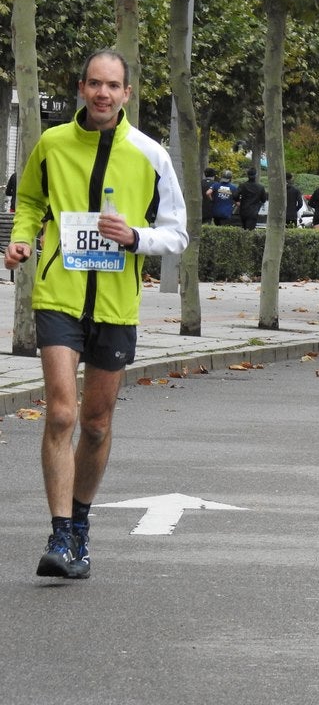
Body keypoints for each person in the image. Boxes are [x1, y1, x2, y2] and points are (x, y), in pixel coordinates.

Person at [3, 49, 188, 580]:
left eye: (113, 86)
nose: (103, 93)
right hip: (58, 295)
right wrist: (20, 242)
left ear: (127, 94)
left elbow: (177, 233)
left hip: (115, 304)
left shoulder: (150, 153)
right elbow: (31, 204)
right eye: (93, 84)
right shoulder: (52, 144)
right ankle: (60, 535)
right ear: (81, 89)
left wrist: (136, 238)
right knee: (61, 413)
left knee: (97, 423)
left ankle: (80, 527)